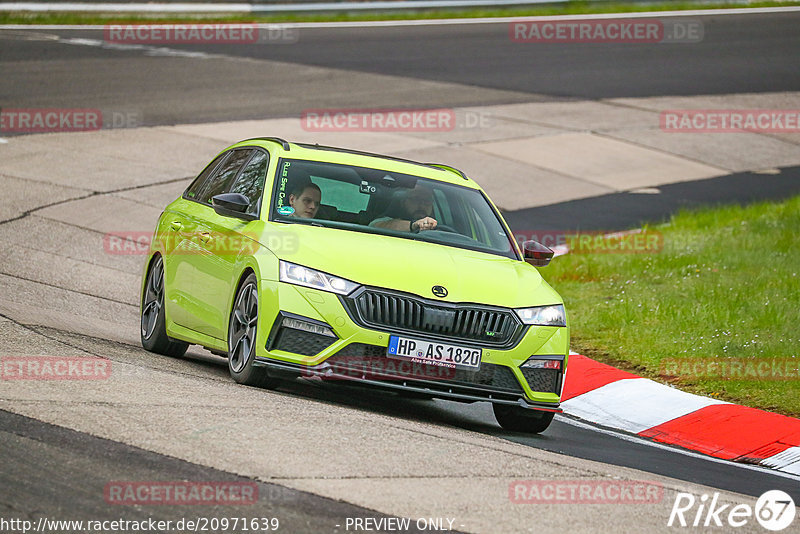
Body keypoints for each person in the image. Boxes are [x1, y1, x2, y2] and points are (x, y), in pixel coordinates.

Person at [369, 184, 438, 232]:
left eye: (427, 200)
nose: (422, 205)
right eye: (416, 199)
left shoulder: (440, 229)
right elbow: (376, 226)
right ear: (403, 202)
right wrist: (413, 225)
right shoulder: (385, 221)